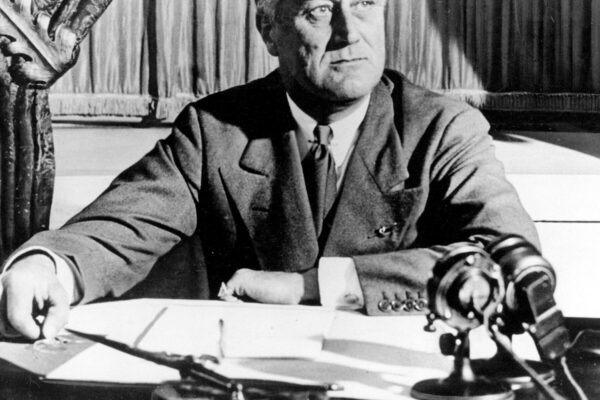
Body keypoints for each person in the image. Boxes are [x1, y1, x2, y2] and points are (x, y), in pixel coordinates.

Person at [0, 0, 538, 341]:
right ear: (268, 28)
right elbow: (118, 227)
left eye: (364, 4)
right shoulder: (215, 130)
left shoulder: (444, 128)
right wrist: (46, 266)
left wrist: (310, 286)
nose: (349, 33)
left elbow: (511, 261)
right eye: (319, 11)